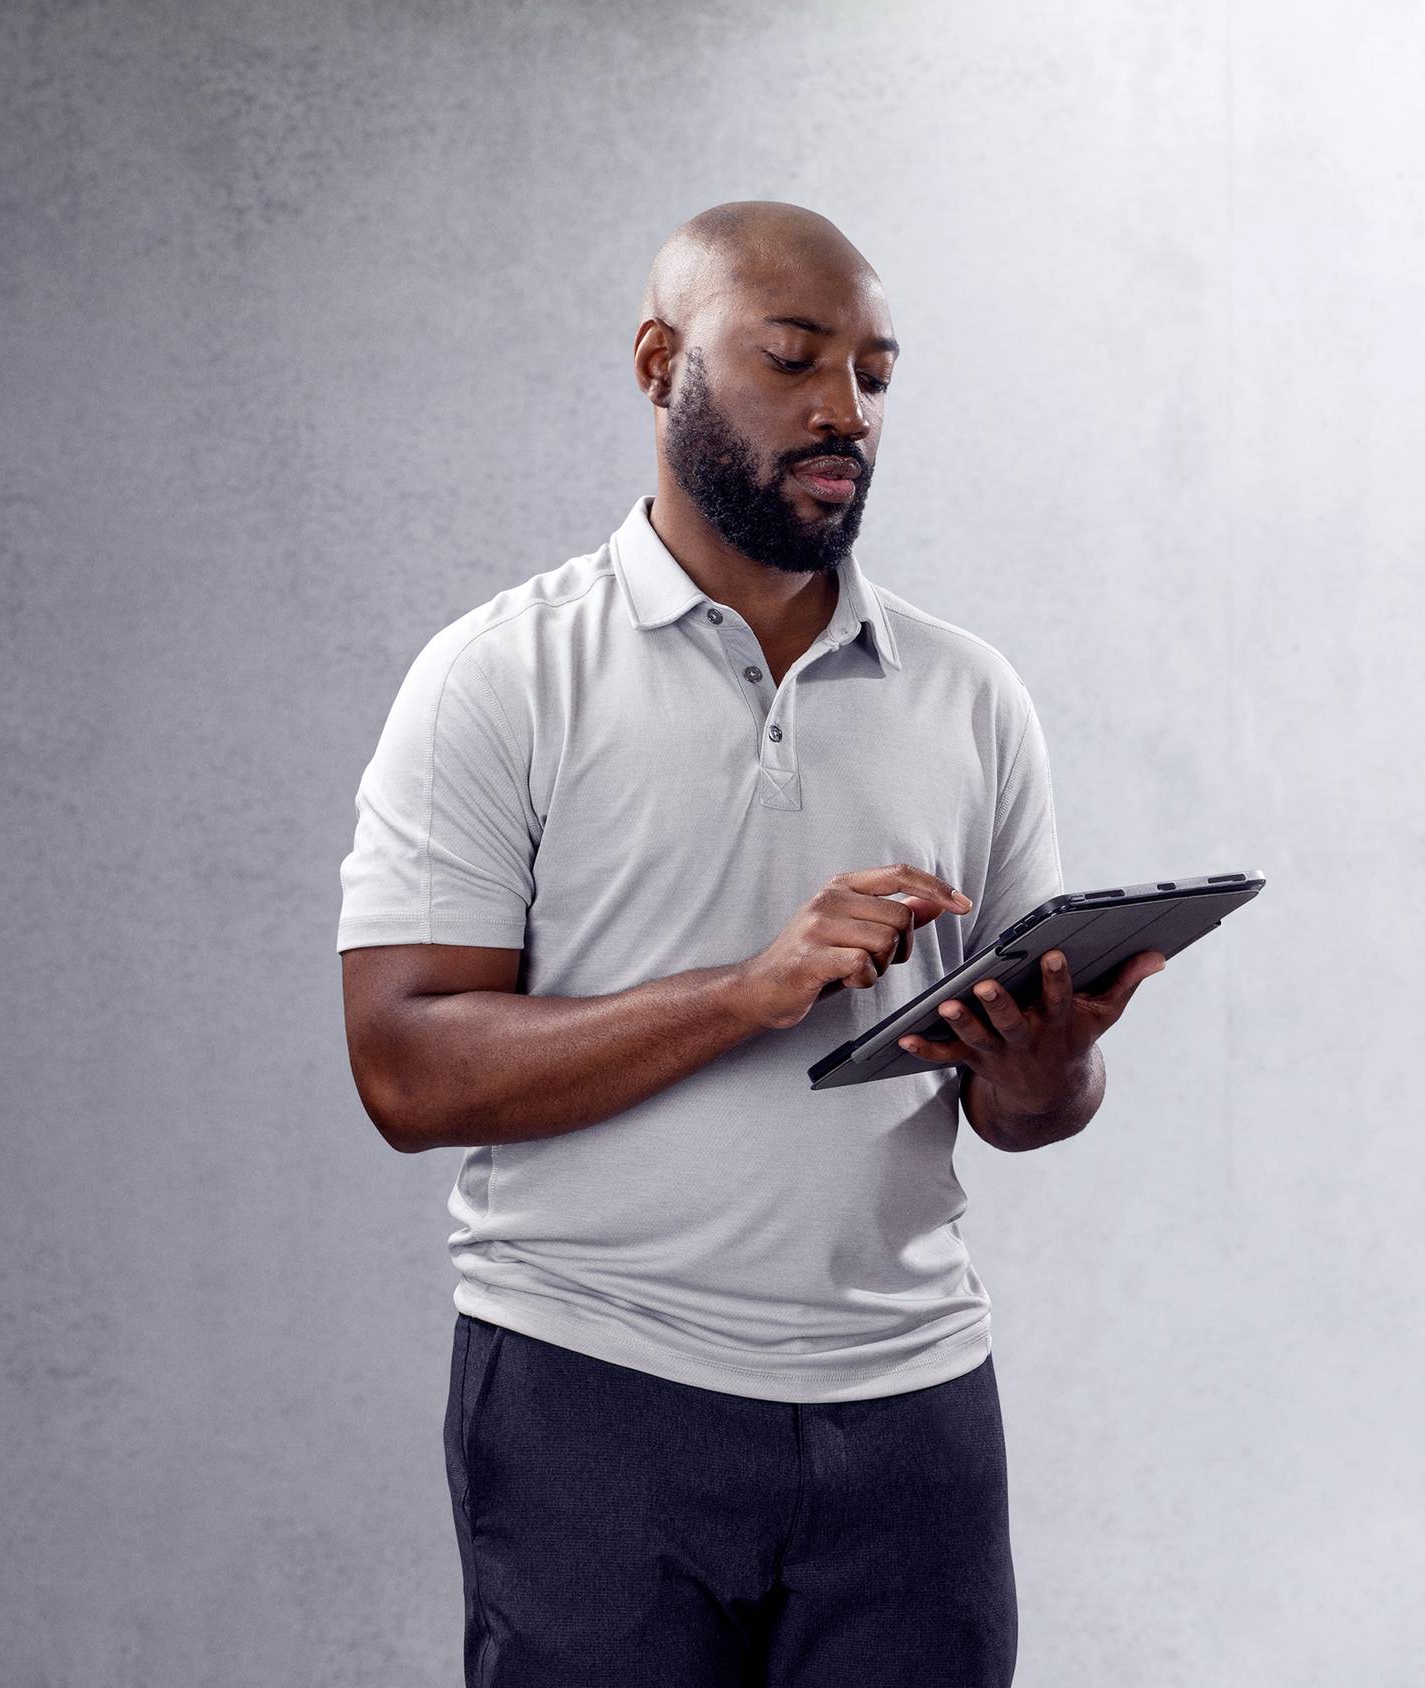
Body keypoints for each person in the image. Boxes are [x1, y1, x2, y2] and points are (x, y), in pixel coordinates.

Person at [336, 201, 1161, 1688]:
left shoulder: (971, 698)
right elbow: (404, 1070)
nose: (846, 408)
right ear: (662, 363)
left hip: (913, 1410)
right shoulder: (498, 678)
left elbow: (1025, 1117)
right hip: (596, 1395)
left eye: (877, 372)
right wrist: (751, 991)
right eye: (794, 360)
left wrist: (1050, 1063)